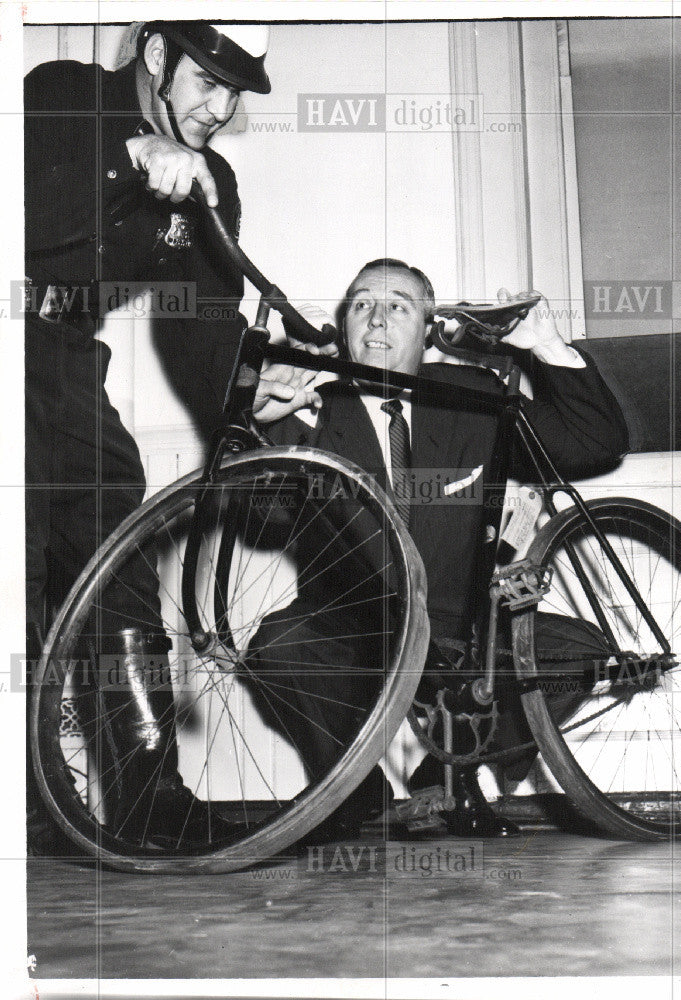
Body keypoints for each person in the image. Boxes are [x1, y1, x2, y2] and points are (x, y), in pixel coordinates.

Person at [246, 258, 629, 839]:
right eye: (361, 305)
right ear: (344, 326)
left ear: (427, 329)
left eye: (398, 305)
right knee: (281, 644)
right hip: (357, 627)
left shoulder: (469, 397)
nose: (377, 319)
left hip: (461, 629)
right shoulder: (312, 407)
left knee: (577, 650)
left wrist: (547, 346)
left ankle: (454, 771)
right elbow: (260, 519)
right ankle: (350, 790)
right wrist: (262, 429)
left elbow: (593, 443)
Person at [25, 21, 271, 849]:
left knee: (114, 554)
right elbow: (32, 219)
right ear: (158, 58)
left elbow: (203, 326)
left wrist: (251, 394)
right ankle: (33, 800)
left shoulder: (210, 180)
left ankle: (147, 801)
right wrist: (124, 159)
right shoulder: (58, 98)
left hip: (61, 359)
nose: (222, 108)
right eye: (209, 82)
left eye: (237, 91)